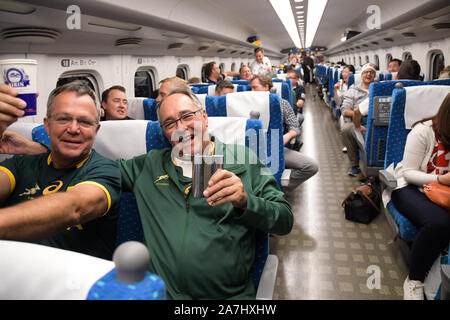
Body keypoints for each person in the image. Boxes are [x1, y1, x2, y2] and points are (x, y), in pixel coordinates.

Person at [0, 85, 293, 300]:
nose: (181, 128)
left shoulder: (244, 160)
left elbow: (283, 220)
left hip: (227, 300)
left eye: (187, 116)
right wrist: (41, 149)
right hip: (160, 294)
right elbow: (89, 165)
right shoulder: (148, 166)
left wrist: (246, 202)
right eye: (169, 123)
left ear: (204, 117)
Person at [0, 81, 121, 260]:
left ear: (96, 130)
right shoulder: (21, 165)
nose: (73, 129)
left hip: (72, 283)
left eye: (84, 122)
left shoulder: (105, 171)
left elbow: (74, 208)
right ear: (47, 125)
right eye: (63, 119)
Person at [390, 92, 450, 300]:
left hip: (444, 191)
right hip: (410, 188)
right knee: (439, 223)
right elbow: (409, 172)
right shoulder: (423, 131)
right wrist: (441, 179)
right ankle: (414, 280)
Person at [250, 74, 318, 192]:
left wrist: (286, 137)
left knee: (311, 166)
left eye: (255, 87)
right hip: (248, 149)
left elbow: (295, 127)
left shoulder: (282, 104)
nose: (252, 91)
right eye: (251, 88)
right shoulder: (244, 103)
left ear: (266, 87)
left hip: (275, 147)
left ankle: (279, 189)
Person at [340, 63, 376, 176]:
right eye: (366, 72)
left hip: (379, 120)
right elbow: (345, 110)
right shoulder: (353, 90)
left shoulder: (381, 88)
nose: (369, 74)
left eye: (372, 72)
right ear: (361, 75)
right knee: (346, 129)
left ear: (375, 75)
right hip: (359, 121)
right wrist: (359, 114)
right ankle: (355, 165)